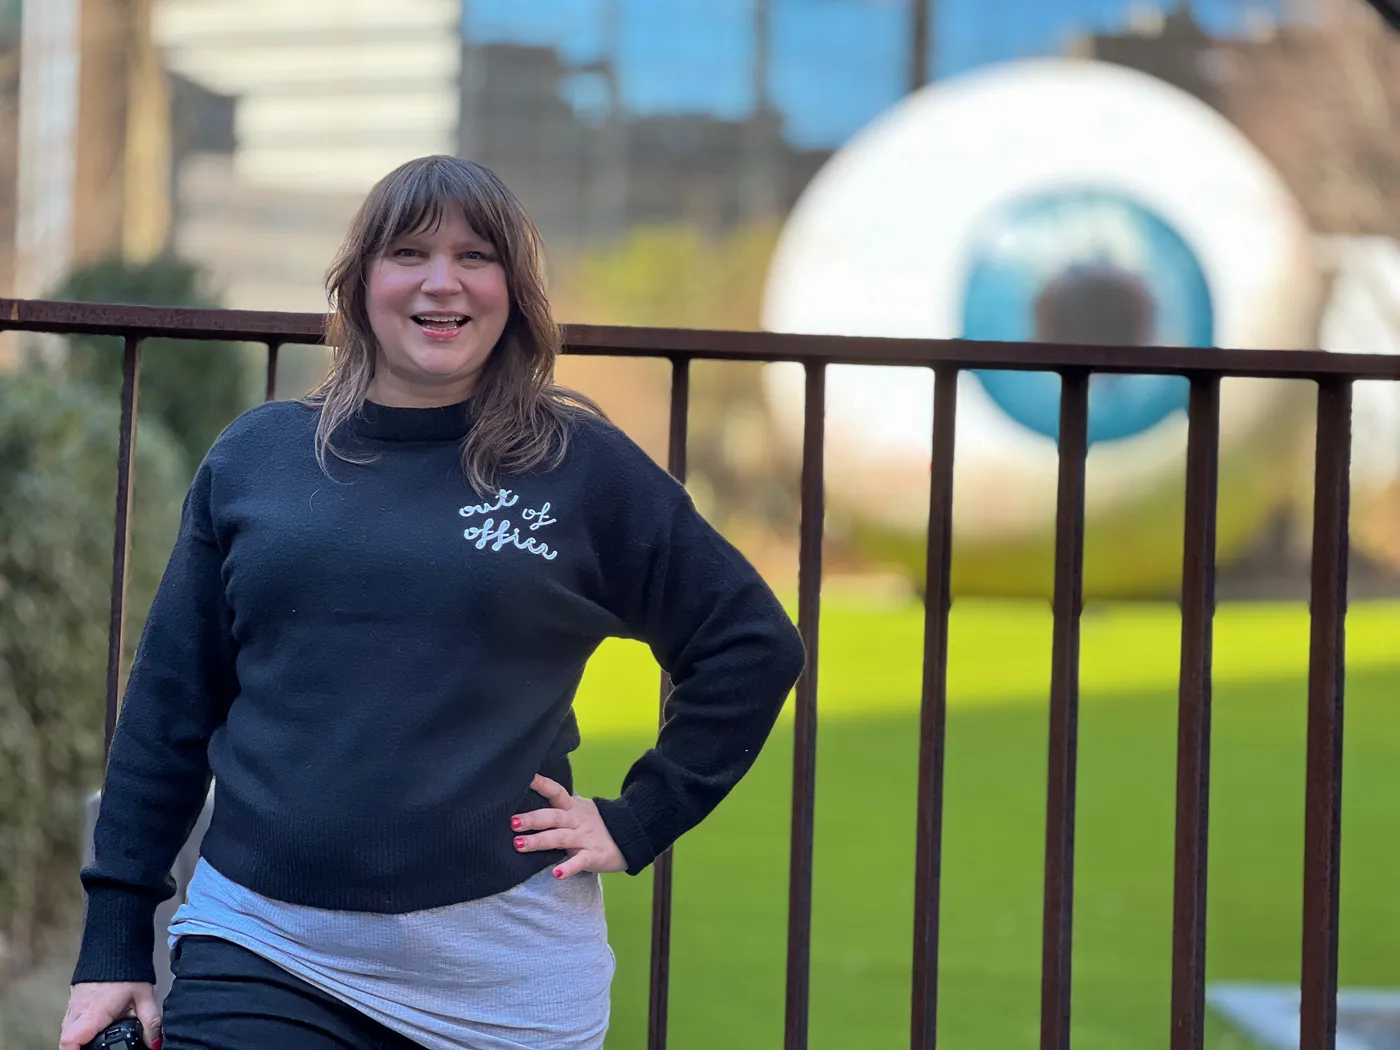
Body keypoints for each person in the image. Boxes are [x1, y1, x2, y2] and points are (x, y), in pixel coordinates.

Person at [59, 154, 806, 1050]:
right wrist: (112, 941)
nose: (441, 281)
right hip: (264, 942)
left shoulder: (581, 468)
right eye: (408, 252)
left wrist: (640, 815)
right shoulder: (258, 459)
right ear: (361, 281)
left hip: (504, 970)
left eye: (476, 257)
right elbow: (170, 708)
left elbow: (751, 643)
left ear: (513, 291)